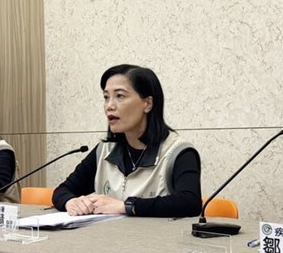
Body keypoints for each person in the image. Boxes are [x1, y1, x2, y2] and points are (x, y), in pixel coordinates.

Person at [53, 64, 202, 218]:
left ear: (147, 104)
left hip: (157, 240)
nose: (109, 106)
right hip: (108, 239)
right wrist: (71, 202)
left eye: (120, 96)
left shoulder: (178, 151)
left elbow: (189, 203)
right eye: (106, 97)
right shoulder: (105, 150)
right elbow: (62, 191)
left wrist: (126, 206)